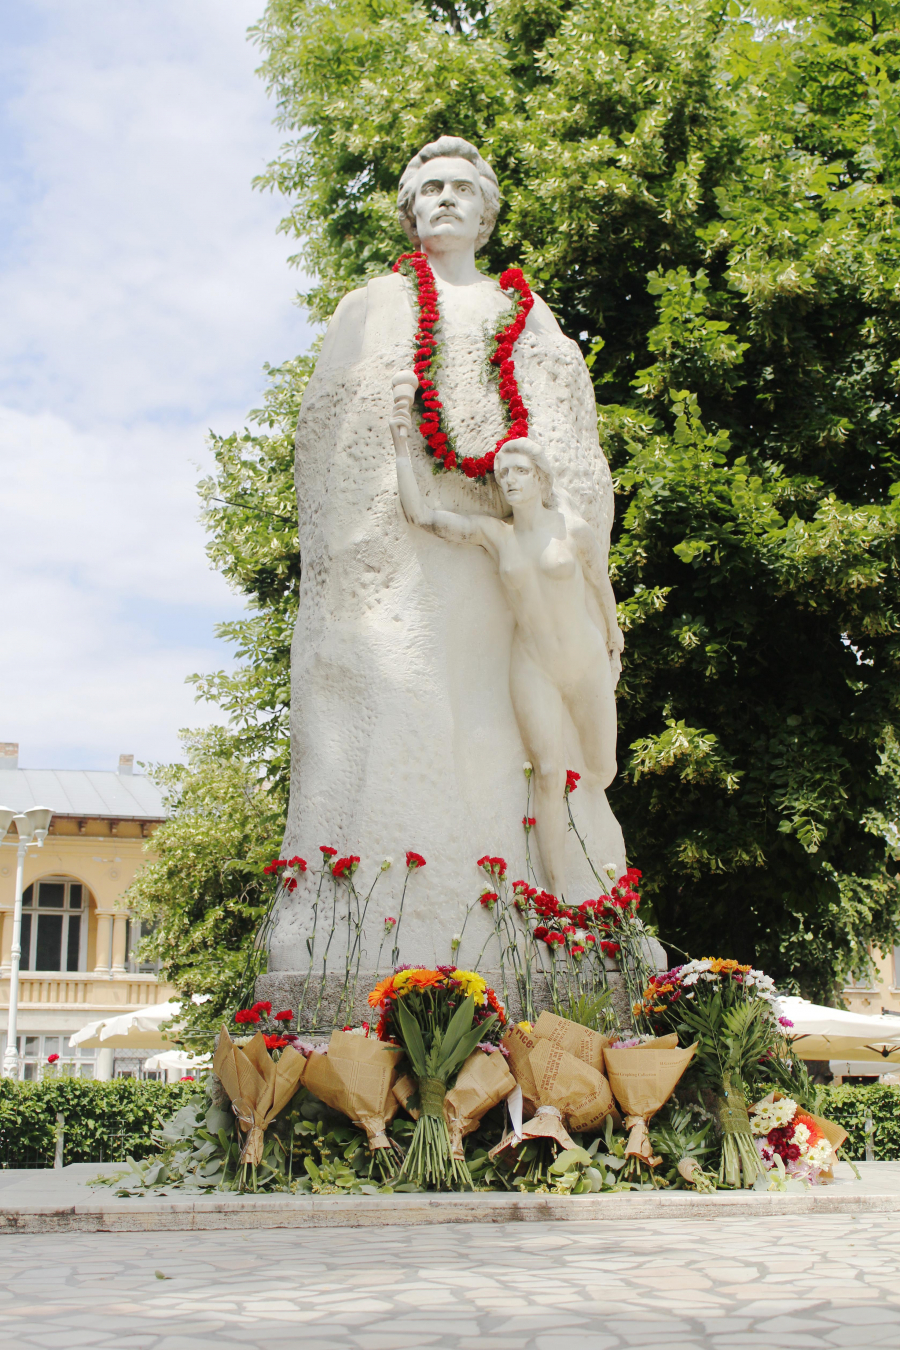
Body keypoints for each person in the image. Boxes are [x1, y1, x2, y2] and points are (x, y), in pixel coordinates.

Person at [390, 408, 624, 900]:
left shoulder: (572, 530)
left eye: (520, 472)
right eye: (503, 474)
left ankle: (592, 860)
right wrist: (399, 447)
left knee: (602, 771)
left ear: (541, 478)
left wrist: (615, 638)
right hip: (533, 664)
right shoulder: (497, 535)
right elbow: (424, 517)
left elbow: (601, 586)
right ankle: (558, 895)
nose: (510, 481)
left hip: (583, 662)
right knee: (547, 771)